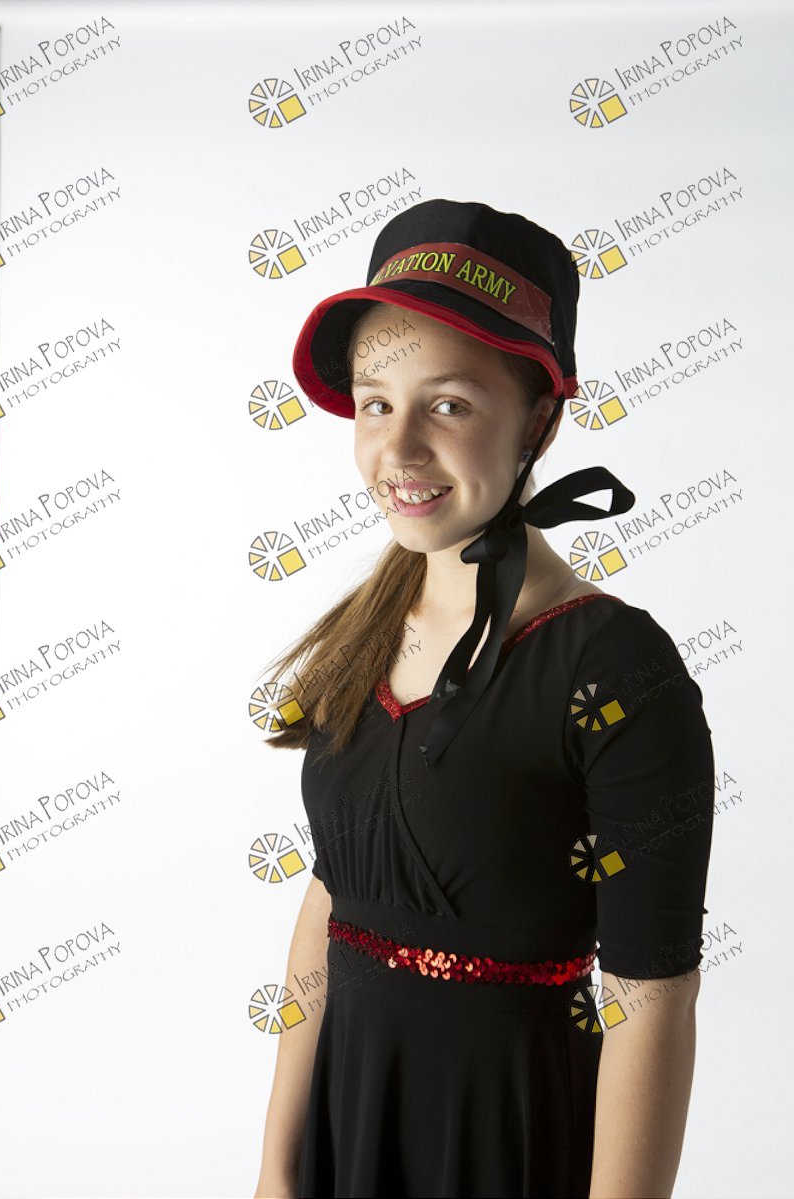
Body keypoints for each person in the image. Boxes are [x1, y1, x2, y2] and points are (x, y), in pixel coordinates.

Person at [253, 200, 715, 1199]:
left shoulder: (617, 671)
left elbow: (650, 995)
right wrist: (277, 1167)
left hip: (509, 1135)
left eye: (450, 405)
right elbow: (331, 898)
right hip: (347, 1120)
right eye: (375, 403)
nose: (398, 450)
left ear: (539, 419)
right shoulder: (365, 631)